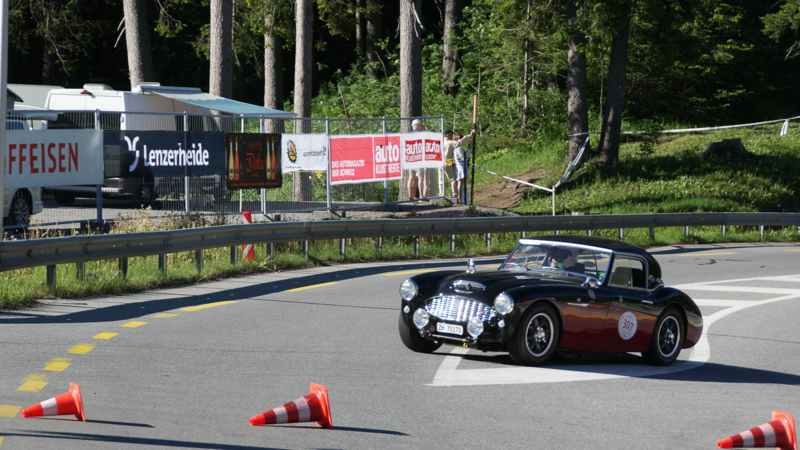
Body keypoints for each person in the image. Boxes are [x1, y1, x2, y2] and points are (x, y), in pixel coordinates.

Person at [443, 129, 475, 200]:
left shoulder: (440, 142)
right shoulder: (450, 143)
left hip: (440, 161)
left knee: (441, 179)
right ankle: (454, 195)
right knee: (453, 179)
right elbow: (460, 142)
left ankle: (441, 194)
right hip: (448, 160)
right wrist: (470, 135)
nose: (452, 136)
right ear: (447, 135)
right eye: (451, 134)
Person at [409, 119, 425, 199]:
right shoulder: (420, 135)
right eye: (421, 125)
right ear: (417, 126)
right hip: (418, 159)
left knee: (411, 177)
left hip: (410, 159)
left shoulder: (409, 135)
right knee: (420, 177)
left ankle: (411, 196)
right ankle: (421, 196)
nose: (421, 127)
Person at [454, 136, 470, 204]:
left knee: (462, 185)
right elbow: (464, 158)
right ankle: (460, 199)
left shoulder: (457, 149)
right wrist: (468, 151)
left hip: (462, 167)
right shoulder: (458, 149)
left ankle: (464, 199)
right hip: (461, 167)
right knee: (460, 184)